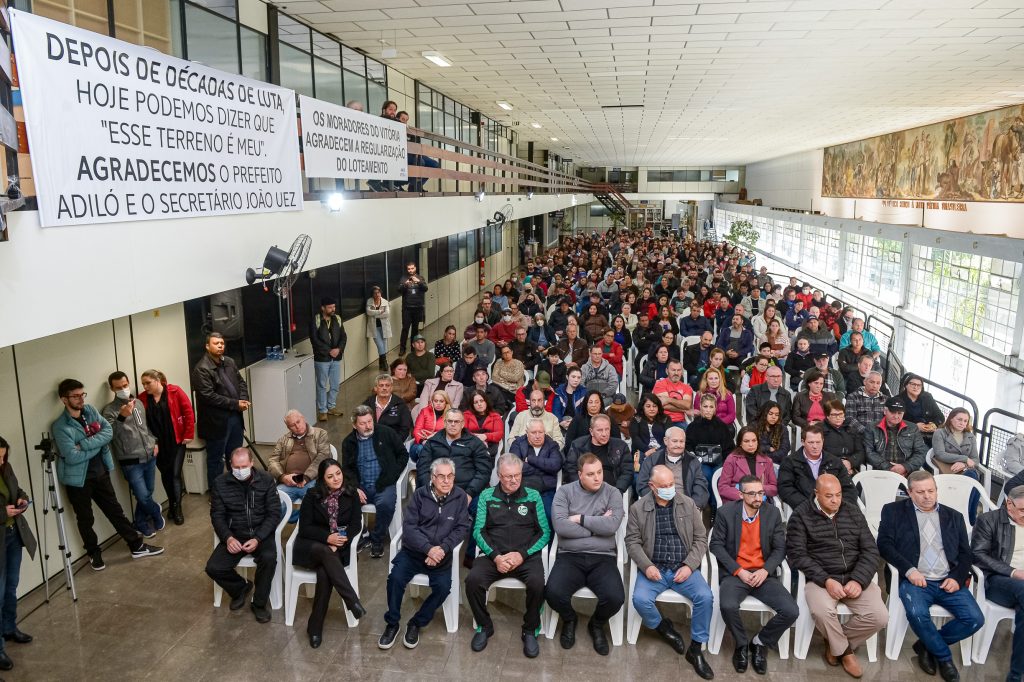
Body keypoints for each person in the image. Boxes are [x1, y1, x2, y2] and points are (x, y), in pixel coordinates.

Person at [876, 471, 983, 682]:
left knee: (974, 619)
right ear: (909, 492)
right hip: (915, 580)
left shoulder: (954, 516)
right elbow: (884, 545)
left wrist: (957, 578)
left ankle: (925, 645)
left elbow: (965, 553)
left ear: (936, 490)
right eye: (921, 492)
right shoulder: (893, 511)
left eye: (931, 491)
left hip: (947, 580)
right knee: (917, 614)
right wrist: (909, 570)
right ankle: (944, 659)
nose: (927, 496)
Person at [52, 379, 161, 570]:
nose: (80, 399)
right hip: (78, 480)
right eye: (75, 396)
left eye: (82, 394)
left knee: (116, 512)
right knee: (85, 519)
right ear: (63, 399)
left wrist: (85, 444)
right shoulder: (60, 426)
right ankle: (94, 554)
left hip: (100, 473)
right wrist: (97, 442)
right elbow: (71, 456)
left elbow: (108, 432)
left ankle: (136, 546)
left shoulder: (91, 411)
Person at [786, 474, 887, 679]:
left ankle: (836, 645)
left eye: (839, 495)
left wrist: (858, 579)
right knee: (822, 611)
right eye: (829, 496)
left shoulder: (852, 511)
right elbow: (797, 555)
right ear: (816, 494)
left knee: (880, 616)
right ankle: (847, 654)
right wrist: (826, 580)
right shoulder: (801, 515)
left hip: (854, 576)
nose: (835, 500)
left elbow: (870, 550)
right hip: (822, 578)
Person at [625, 465, 715, 679]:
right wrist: (647, 566)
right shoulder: (639, 508)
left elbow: (701, 539)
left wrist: (689, 565)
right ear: (652, 487)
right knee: (640, 599)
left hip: (683, 568)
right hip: (654, 568)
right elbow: (632, 542)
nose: (669, 489)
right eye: (663, 486)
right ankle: (663, 627)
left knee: (705, 597)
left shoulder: (688, 503)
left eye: (671, 484)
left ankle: (696, 648)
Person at [709, 475, 799, 675]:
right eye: (752, 493)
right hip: (736, 573)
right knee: (728, 605)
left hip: (762, 574)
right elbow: (715, 544)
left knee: (791, 610)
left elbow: (780, 548)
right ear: (740, 494)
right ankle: (741, 644)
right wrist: (738, 571)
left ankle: (760, 642)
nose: (758, 498)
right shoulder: (726, 512)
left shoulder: (772, 513)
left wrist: (765, 570)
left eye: (760, 493)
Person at [380, 457, 471, 650]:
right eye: (441, 477)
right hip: (414, 552)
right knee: (395, 579)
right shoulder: (420, 495)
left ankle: (416, 623)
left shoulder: (460, 496)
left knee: (443, 588)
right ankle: (393, 622)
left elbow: (462, 527)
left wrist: (442, 549)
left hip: (441, 556)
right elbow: (410, 527)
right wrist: (428, 549)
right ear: (432, 477)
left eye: (450, 476)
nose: (446, 481)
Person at [467, 454, 551, 658]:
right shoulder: (487, 496)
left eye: (517, 475)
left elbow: (544, 532)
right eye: (508, 476)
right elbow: (478, 531)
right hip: (493, 555)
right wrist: (496, 556)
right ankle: (484, 626)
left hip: (525, 556)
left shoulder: (533, 496)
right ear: (498, 476)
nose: (513, 480)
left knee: (538, 583)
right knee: (472, 581)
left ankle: (530, 629)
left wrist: (522, 555)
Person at [545, 453, 626, 655]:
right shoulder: (564, 492)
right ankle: (570, 619)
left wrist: (580, 518)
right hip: (570, 556)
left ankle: (596, 625)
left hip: (603, 557)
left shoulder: (613, 492)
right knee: (552, 593)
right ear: (580, 474)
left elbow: (612, 525)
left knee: (615, 597)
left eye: (599, 472)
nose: (598, 478)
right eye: (591, 474)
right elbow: (561, 527)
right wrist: (597, 525)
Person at [293, 458, 365, 647]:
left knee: (325, 573)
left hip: (337, 549)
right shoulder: (312, 495)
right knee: (324, 552)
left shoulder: (351, 494)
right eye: (330, 476)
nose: (336, 479)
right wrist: (327, 538)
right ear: (323, 479)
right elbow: (305, 528)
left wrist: (338, 543)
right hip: (311, 547)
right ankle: (352, 600)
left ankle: (314, 627)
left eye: (338, 474)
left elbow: (356, 525)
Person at [206, 448, 280, 623]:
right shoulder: (220, 483)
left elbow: (274, 513)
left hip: (261, 534)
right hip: (235, 534)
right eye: (236, 467)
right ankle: (241, 588)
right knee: (213, 567)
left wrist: (258, 538)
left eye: (244, 466)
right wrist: (228, 537)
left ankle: (259, 603)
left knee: (269, 558)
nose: (240, 470)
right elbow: (217, 515)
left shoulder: (267, 480)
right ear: (230, 465)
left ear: (252, 463)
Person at [101, 371, 164, 537]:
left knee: (148, 493)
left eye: (125, 385)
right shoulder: (109, 411)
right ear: (112, 389)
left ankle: (140, 522)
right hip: (131, 461)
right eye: (118, 387)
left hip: (149, 456)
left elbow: (145, 427)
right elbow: (110, 435)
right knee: (143, 497)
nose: (123, 389)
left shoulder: (139, 403)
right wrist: (121, 417)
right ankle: (156, 511)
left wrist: (154, 442)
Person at [971, 485, 1024, 682]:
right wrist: (1013, 572)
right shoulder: (989, 520)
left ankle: (1016, 675)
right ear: (1009, 504)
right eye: (1023, 511)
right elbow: (977, 555)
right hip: (999, 580)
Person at [341, 407, 409, 558]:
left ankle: (377, 539)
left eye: (370, 421)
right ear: (354, 425)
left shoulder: (386, 433)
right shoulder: (348, 442)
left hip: (384, 483)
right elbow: (347, 469)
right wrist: (355, 488)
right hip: (361, 485)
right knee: (344, 502)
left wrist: (392, 474)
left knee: (386, 504)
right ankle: (363, 534)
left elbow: (403, 455)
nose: (368, 426)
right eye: (363, 423)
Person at [192, 332, 250, 488]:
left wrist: (243, 399)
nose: (219, 346)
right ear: (207, 346)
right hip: (216, 423)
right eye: (216, 343)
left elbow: (241, 382)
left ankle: (237, 486)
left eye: (222, 343)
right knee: (216, 460)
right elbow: (208, 396)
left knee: (236, 455)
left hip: (235, 418)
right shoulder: (202, 369)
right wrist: (235, 403)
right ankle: (217, 493)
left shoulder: (229, 362)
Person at [137, 369, 194, 525]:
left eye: (148, 383)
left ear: (158, 380)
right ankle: (172, 502)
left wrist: (189, 433)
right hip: (157, 444)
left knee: (175, 474)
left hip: (176, 440)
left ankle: (177, 508)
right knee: (166, 474)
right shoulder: (142, 399)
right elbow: (141, 423)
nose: (145, 386)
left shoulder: (175, 391)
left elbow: (188, 411)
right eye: (143, 384)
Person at [0, 436, 38, 668]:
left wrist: (21, 498)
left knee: (11, 585)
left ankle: (9, 628)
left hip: (14, 535)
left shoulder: (6, 466)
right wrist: (3, 513)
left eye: (3, 456)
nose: (1, 460)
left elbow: (16, 488)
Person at [268, 410, 331, 522]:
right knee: (272, 507)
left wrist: (306, 477)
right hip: (288, 482)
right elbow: (272, 461)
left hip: (312, 481)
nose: (297, 426)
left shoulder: (320, 434)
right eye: (292, 425)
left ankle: (308, 521)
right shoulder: (283, 440)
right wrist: (283, 477)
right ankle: (303, 518)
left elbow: (323, 457)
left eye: (298, 421)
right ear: (288, 427)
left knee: (322, 507)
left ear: (304, 419)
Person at [777, 424, 856, 509]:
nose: (815, 446)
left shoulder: (834, 461)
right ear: (803, 442)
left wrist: (838, 506)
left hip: (835, 509)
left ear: (823, 441)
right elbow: (785, 489)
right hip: (805, 509)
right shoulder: (790, 462)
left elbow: (849, 488)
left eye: (818, 442)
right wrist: (809, 506)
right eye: (811, 442)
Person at [636, 426, 709, 508]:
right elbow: (642, 484)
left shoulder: (693, 461)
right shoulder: (652, 460)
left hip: (686, 506)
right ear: (665, 441)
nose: (678, 445)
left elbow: (700, 485)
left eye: (682, 441)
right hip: (658, 505)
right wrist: (657, 502)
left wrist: (695, 506)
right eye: (674, 441)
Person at [508, 418, 563, 521]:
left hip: (546, 489)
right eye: (534, 432)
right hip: (523, 488)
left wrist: (531, 459)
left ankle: (547, 537)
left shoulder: (552, 444)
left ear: (544, 432)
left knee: (549, 516)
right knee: (517, 514)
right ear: (527, 433)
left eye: (540, 432)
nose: (538, 436)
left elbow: (555, 465)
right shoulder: (518, 443)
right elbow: (515, 466)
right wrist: (544, 468)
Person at [564, 414, 632, 492]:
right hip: (584, 491)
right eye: (600, 430)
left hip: (611, 491)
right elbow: (571, 470)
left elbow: (627, 472)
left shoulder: (620, 446)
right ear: (591, 431)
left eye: (607, 429)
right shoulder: (578, 445)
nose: (604, 434)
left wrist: (617, 490)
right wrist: (582, 489)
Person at [865, 397, 928, 475]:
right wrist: (889, 467)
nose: (896, 416)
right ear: (885, 411)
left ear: (903, 413)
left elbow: (921, 452)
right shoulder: (872, 427)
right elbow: (869, 452)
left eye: (899, 413)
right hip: (881, 471)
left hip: (907, 472)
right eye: (893, 412)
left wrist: (905, 467)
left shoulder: (913, 428)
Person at [717, 427, 779, 503]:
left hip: (760, 502)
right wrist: (744, 496)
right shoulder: (731, 459)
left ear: (758, 442)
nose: (751, 444)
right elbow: (723, 487)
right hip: (737, 502)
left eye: (754, 441)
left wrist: (758, 489)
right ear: (740, 443)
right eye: (746, 441)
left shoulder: (767, 461)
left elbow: (774, 488)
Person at [311, 296, 348, 422]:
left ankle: (331, 407)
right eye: (330, 307)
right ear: (323, 308)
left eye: (334, 307)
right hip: (322, 359)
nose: (333, 309)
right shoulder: (315, 320)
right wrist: (328, 351)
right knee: (321, 385)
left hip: (337, 356)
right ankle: (322, 411)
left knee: (335, 384)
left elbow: (344, 336)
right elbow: (314, 340)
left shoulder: (337, 319)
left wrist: (338, 349)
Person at [363, 372, 413, 442]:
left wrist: (395, 443)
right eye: (381, 385)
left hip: (393, 442)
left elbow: (405, 428)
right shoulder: (367, 404)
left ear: (391, 388)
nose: (384, 388)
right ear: (375, 388)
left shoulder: (400, 404)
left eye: (387, 385)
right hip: (371, 441)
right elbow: (360, 425)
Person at [931, 407, 981, 477]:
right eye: (959, 419)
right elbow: (940, 454)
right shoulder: (940, 432)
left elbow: (975, 459)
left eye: (965, 421)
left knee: (971, 475)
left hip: (965, 469)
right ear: (951, 419)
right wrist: (965, 459)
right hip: (946, 468)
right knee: (970, 479)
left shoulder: (971, 436)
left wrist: (964, 464)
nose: (962, 423)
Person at [898, 374, 944, 446]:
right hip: (907, 435)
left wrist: (934, 424)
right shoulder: (898, 399)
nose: (916, 387)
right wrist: (915, 426)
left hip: (928, 436)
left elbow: (940, 417)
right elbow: (894, 420)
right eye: (913, 384)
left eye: (919, 385)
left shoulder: (927, 397)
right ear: (906, 385)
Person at [821, 400, 865, 473]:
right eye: (834, 415)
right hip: (828, 469)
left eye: (840, 414)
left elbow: (860, 452)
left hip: (850, 467)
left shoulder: (851, 429)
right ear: (827, 416)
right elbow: (818, 453)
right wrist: (839, 464)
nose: (838, 418)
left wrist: (850, 462)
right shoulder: (820, 430)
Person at [398, 262, 428, 355]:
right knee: (405, 328)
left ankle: (413, 348)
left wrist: (418, 282)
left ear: (415, 268)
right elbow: (399, 290)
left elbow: (425, 288)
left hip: (417, 308)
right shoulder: (403, 278)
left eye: (412, 268)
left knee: (415, 329)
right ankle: (402, 348)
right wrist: (405, 285)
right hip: (407, 308)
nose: (410, 270)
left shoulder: (420, 278)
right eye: (409, 269)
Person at [463, 390, 504, 459]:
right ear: (472, 405)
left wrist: (485, 436)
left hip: (489, 447)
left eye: (481, 401)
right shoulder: (466, 415)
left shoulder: (495, 416)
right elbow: (463, 432)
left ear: (486, 401)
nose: (479, 404)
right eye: (476, 402)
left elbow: (499, 434)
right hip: (470, 445)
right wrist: (478, 440)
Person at [654, 360, 694, 428]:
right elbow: (663, 406)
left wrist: (669, 400)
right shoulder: (660, 384)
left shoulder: (687, 387)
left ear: (681, 372)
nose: (676, 373)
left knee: (688, 435)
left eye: (678, 370)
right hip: (663, 420)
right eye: (673, 370)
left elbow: (687, 405)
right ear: (667, 371)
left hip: (680, 422)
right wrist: (683, 409)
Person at [412, 391, 451, 461]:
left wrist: (435, 435)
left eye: (441, 401)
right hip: (420, 444)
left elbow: (451, 432)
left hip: (440, 444)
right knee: (422, 448)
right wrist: (423, 441)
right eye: (436, 401)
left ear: (446, 402)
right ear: (432, 402)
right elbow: (417, 430)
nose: (438, 403)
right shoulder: (424, 411)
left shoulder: (450, 414)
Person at [366, 285, 393, 371]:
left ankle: (381, 364)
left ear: (381, 293)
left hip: (384, 327)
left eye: (378, 292)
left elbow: (387, 314)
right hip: (375, 328)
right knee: (380, 345)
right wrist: (379, 312)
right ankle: (384, 363)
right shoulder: (369, 301)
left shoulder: (385, 302)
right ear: (372, 295)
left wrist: (375, 315)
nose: (377, 294)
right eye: (375, 293)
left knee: (384, 345)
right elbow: (368, 312)